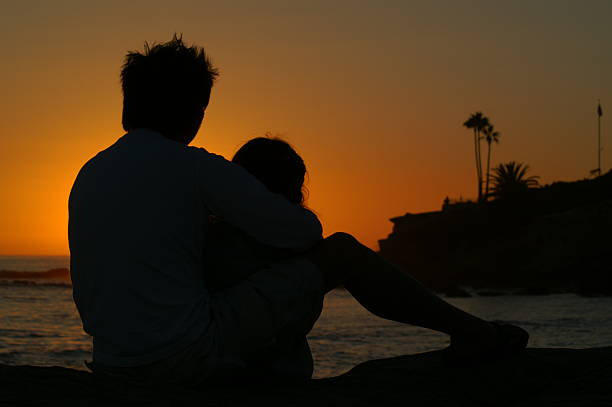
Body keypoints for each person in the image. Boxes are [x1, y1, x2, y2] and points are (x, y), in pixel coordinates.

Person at [69, 36, 528, 386]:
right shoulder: (192, 166)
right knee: (342, 251)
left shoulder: (88, 173)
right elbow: (303, 232)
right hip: (180, 357)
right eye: (202, 108)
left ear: (129, 103)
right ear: (191, 109)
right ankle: (474, 333)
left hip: (112, 362)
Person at [205, 137, 317, 378]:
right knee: (341, 250)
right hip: (250, 356)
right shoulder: (294, 237)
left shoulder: (211, 231)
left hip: (221, 349)